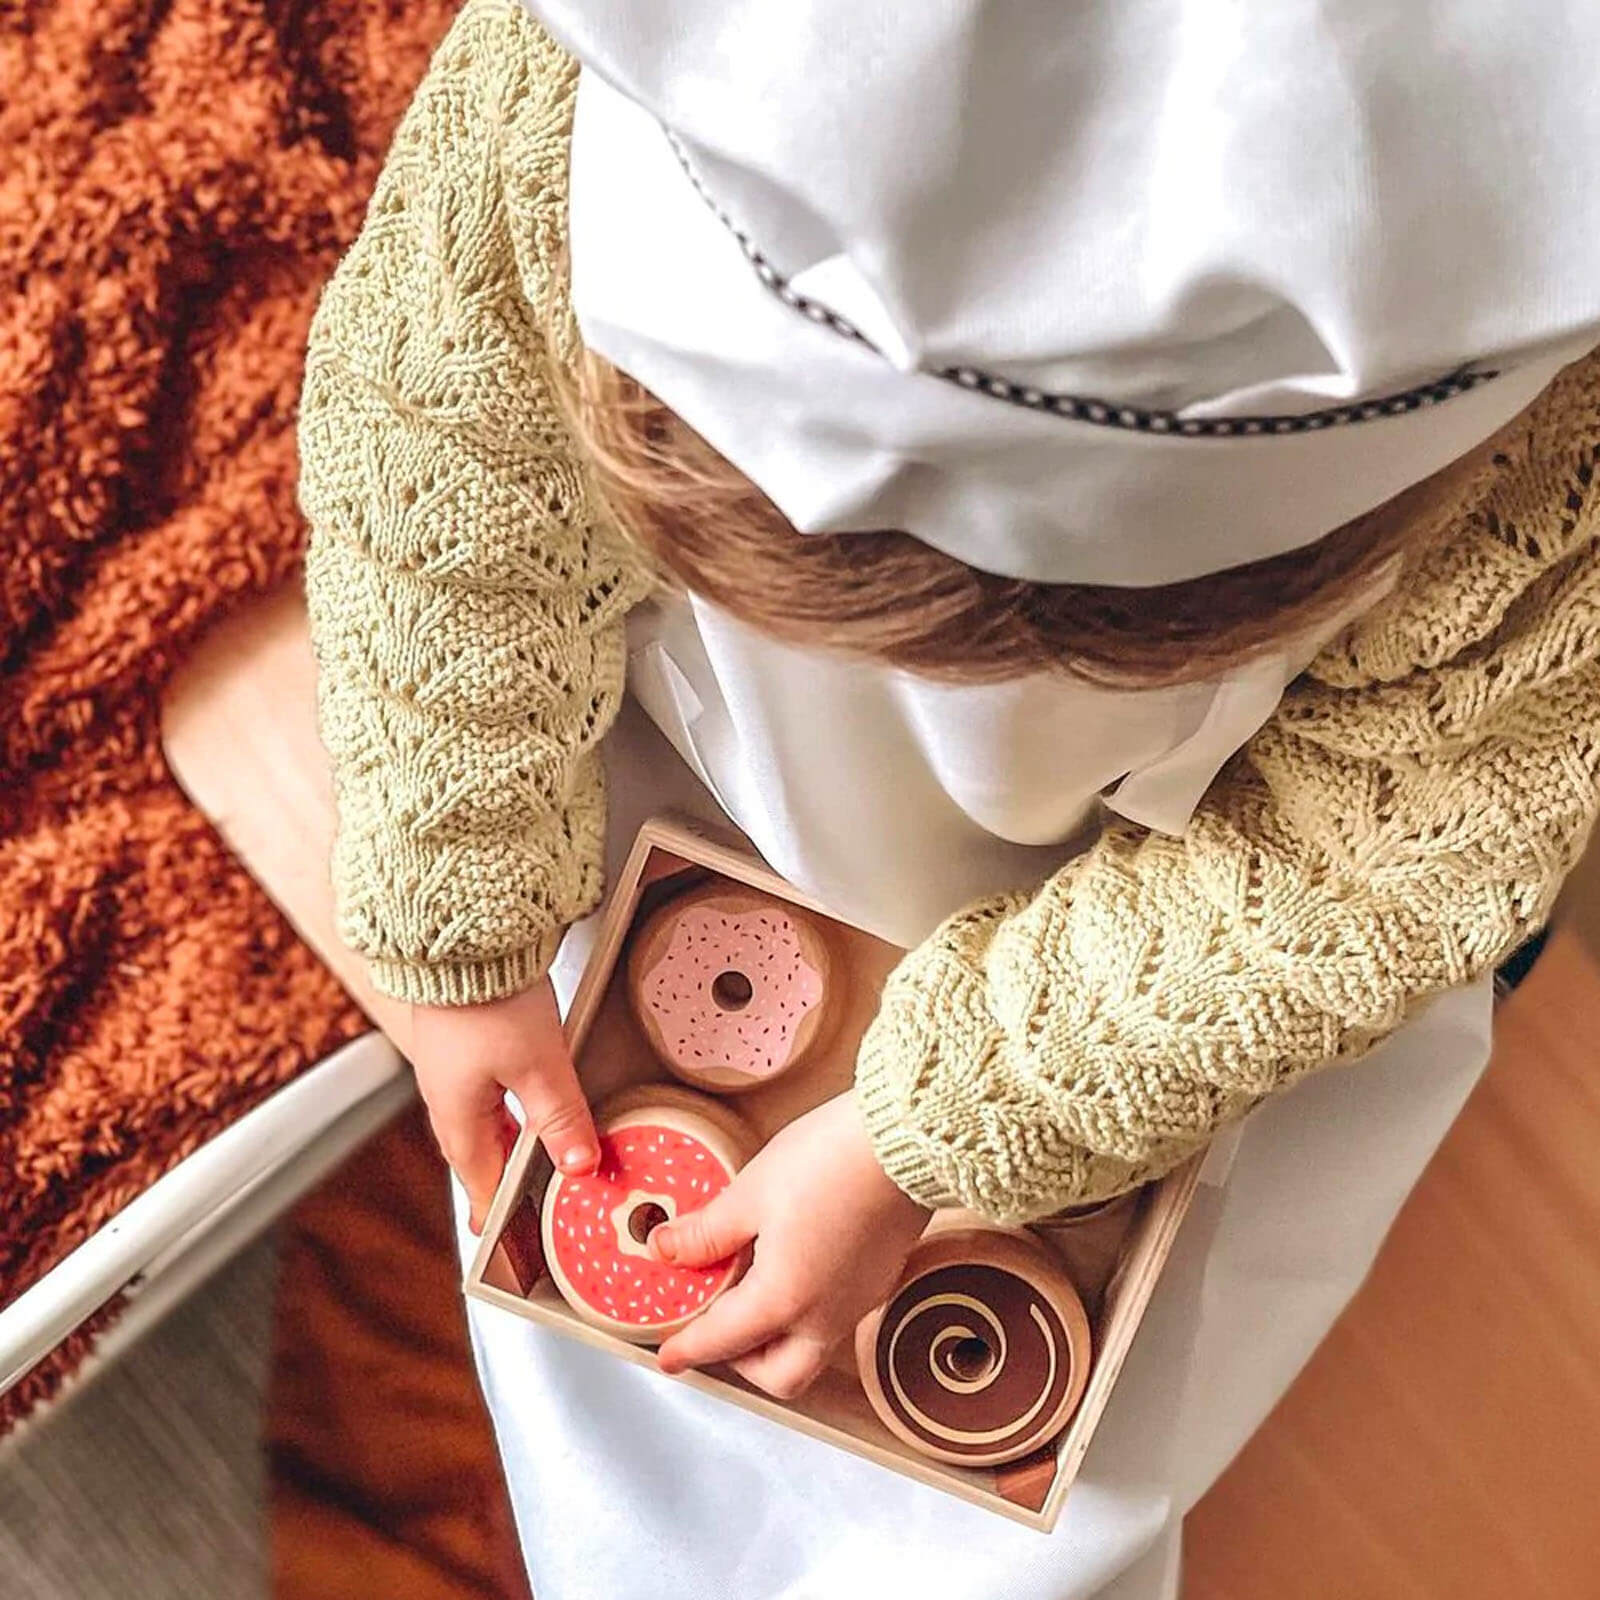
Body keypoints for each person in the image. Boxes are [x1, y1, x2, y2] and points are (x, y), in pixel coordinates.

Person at [297, 3, 1600, 1594]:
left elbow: (1370, 859)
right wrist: (467, 905)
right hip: (721, 779)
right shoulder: (557, 118)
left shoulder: (1535, 476)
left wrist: (934, 1137)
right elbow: (448, 452)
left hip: (1189, 957)